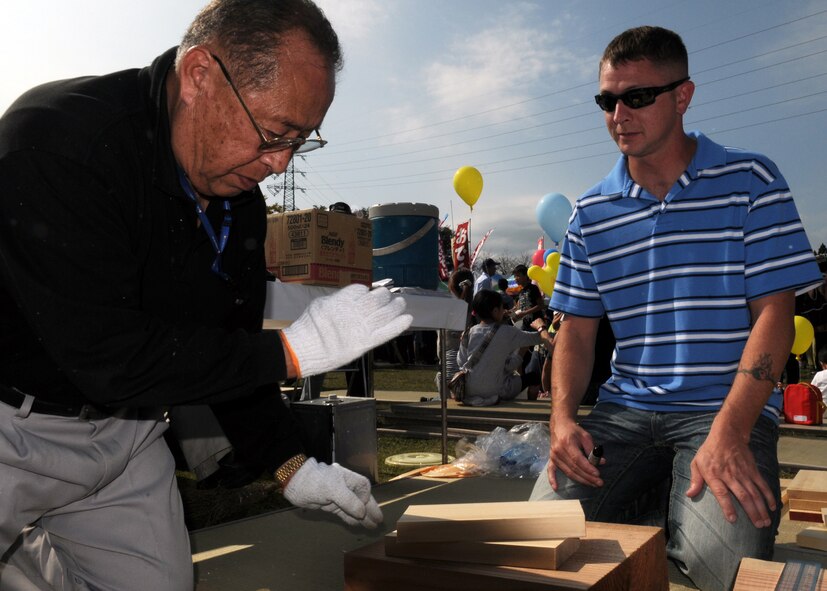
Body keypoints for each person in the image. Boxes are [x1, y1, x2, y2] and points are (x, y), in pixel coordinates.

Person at [0, 1, 413, 589]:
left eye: (300, 142)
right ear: (199, 76)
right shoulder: (59, 142)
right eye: (274, 134)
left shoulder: (236, 202)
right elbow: (108, 358)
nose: (278, 165)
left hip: (124, 432)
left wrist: (290, 464)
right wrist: (290, 353)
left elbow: (225, 346)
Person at [528, 25, 822, 591]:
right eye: (607, 100)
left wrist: (732, 433)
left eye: (637, 97)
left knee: (729, 573)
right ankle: (657, 507)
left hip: (724, 410)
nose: (619, 114)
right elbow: (577, 332)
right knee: (535, 546)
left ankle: (659, 510)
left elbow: (775, 316)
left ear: (683, 97)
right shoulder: (591, 212)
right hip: (624, 415)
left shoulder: (751, 181)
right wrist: (562, 421)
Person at [456, 290, 552, 407]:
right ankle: (531, 408)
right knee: (533, 377)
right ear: (496, 311)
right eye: (502, 308)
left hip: (470, 390)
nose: (505, 311)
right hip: (495, 391)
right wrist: (541, 327)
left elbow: (461, 362)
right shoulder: (508, 332)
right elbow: (538, 339)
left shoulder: (469, 332)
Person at [434, 268, 474, 397]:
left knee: (444, 383)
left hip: (451, 362)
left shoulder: (455, 307)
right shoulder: (468, 307)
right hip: (462, 362)